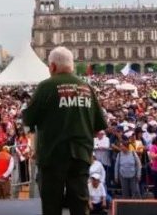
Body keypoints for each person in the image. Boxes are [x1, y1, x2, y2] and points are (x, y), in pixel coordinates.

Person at [23, 46, 107, 215]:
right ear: (72, 66)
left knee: (51, 205)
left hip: (53, 155)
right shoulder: (86, 88)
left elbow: (28, 119)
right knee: (80, 205)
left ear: (52, 66)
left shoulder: (46, 86)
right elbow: (99, 126)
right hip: (81, 156)